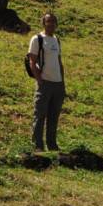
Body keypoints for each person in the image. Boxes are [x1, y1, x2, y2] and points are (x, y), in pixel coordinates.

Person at [28, 13, 65, 151]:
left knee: (54, 116)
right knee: (40, 114)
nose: (51, 24)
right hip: (45, 83)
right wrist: (39, 80)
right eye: (48, 21)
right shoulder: (37, 39)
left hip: (57, 83)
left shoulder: (56, 40)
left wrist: (62, 82)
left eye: (53, 21)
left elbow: (59, 62)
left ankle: (52, 144)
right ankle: (37, 145)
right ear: (43, 23)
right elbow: (32, 62)